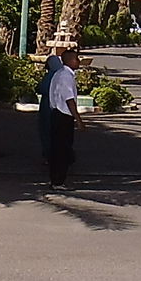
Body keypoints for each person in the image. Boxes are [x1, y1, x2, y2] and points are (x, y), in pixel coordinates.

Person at [46, 48, 84, 187]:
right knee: (62, 150)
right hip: (63, 116)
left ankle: (56, 179)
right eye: (76, 58)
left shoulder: (60, 73)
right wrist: (78, 119)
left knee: (58, 148)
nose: (78, 61)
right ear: (69, 60)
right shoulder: (65, 76)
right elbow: (69, 100)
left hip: (57, 114)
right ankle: (58, 180)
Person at [35, 53, 61, 164]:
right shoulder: (62, 74)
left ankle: (49, 155)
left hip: (48, 106)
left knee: (47, 131)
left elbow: (42, 88)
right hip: (60, 107)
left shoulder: (50, 75)